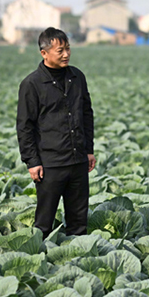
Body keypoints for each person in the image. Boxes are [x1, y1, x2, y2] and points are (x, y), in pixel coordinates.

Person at [17, 27, 95, 239]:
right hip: (50, 162)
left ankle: (77, 259)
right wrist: (32, 161)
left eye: (68, 49)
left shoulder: (77, 77)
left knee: (79, 221)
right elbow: (25, 126)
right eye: (60, 50)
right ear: (44, 53)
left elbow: (86, 114)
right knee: (44, 221)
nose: (66, 54)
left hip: (77, 159)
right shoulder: (32, 84)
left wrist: (89, 150)